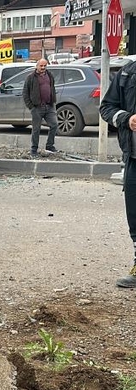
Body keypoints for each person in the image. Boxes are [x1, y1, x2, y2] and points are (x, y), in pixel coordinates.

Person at [101, 59, 136, 287]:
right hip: (134, 159)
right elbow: (106, 108)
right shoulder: (127, 73)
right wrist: (126, 118)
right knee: (135, 217)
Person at [23, 59, 57, 157]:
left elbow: (52, 88)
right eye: (41, 66)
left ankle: (49, 146)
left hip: (49, 106)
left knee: (54, 125)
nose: (43, 68)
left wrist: (53, 100)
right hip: (37, 107)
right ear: (37, 66)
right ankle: (34, 149)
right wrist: (31, 106)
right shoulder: (30, 77)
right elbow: (25, 93)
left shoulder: (49, 75)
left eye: (45, 66)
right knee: (36, 129)